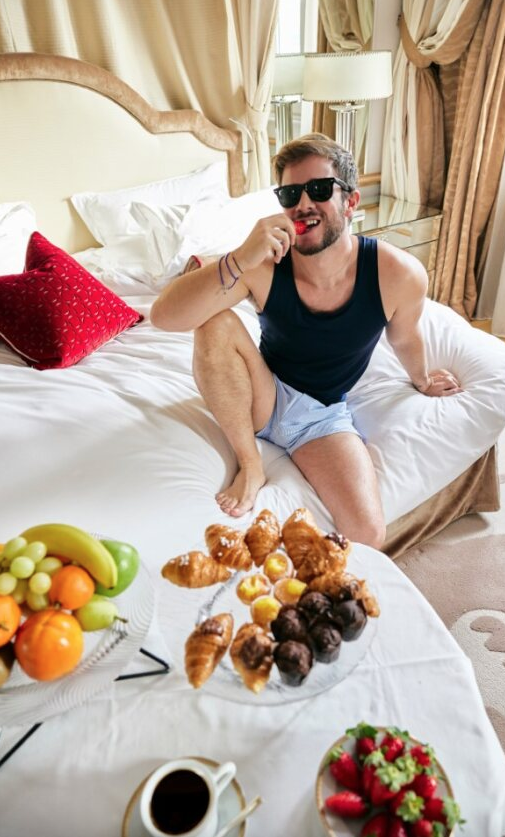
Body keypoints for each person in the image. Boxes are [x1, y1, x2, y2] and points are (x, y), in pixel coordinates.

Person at [150, 134, 462, 550]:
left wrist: (422, 379)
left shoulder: (398, 274)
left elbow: (405, 336)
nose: (303, 204)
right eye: (290, 194)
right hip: (260, 394)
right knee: (216, 321)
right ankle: (251, 463)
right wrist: (239, 257)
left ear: (351, 202)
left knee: (367, 533)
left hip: (322, 415)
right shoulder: (262, 264)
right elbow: (163, 317)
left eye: (318, 189)